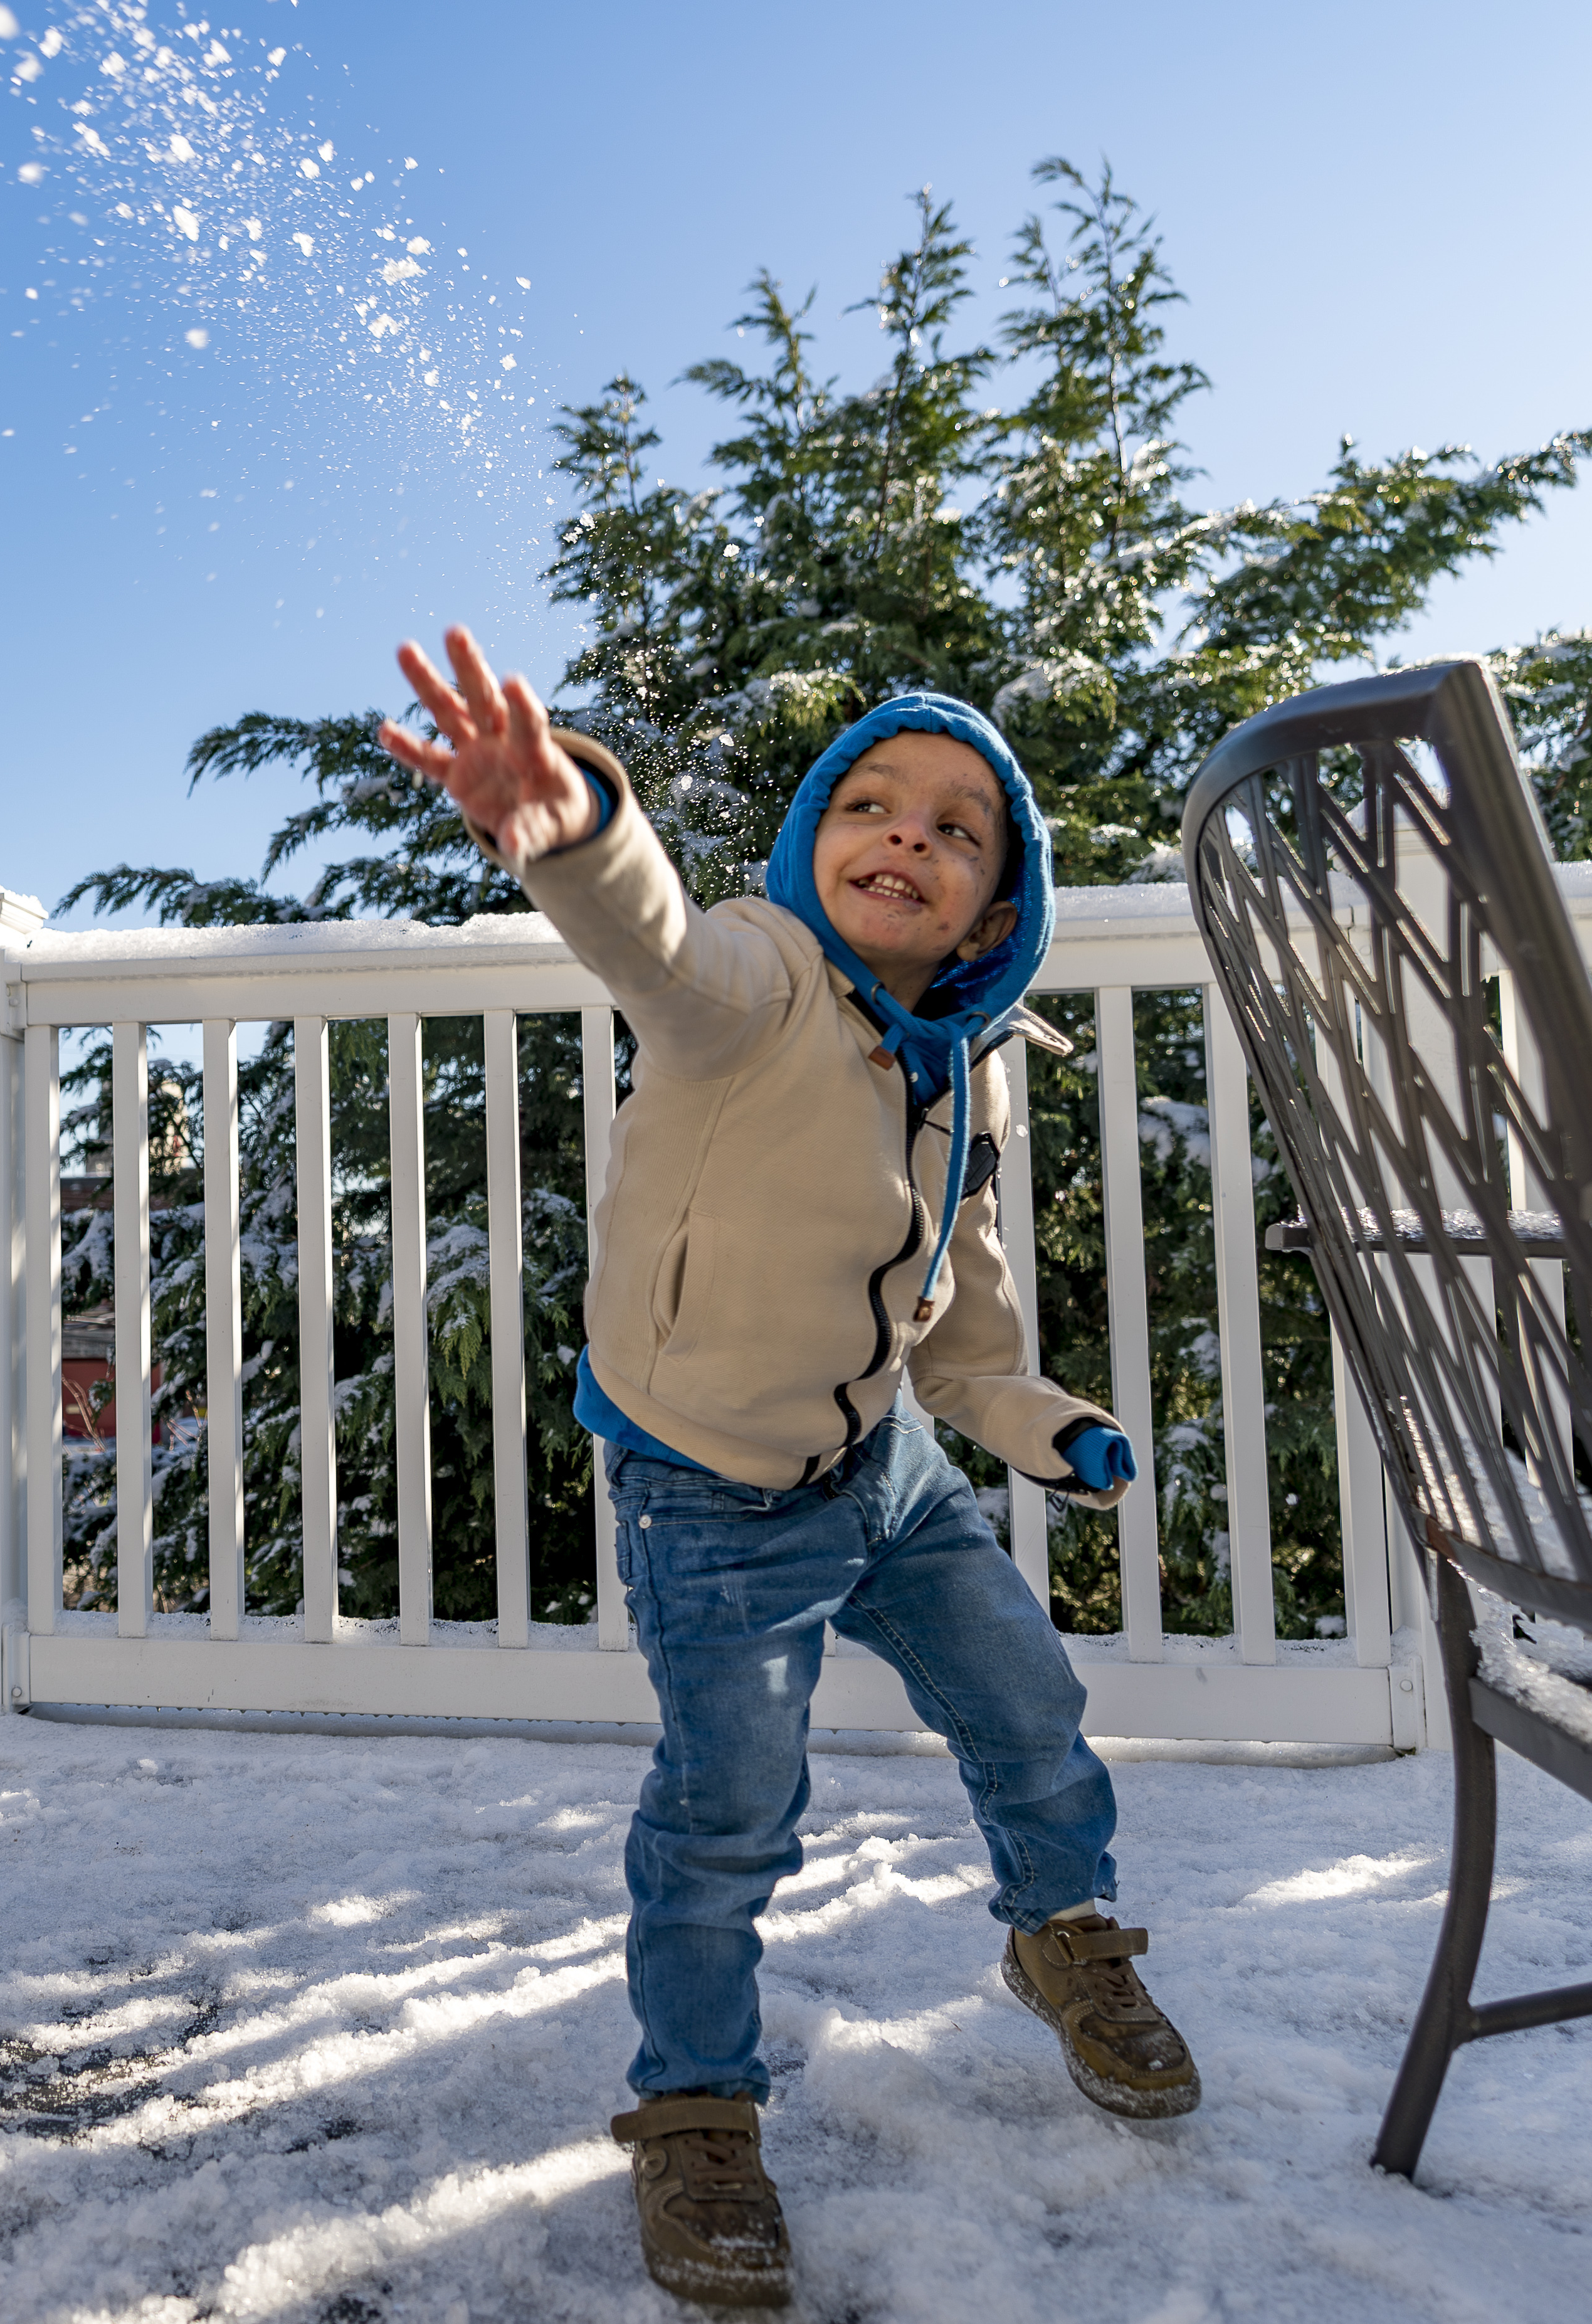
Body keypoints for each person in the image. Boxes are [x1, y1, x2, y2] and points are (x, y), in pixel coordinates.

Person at [379, 629, 1194, 2310]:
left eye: (959, 830)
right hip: (713, 1496)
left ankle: (1067, 1937)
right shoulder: (750, 982)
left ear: (991, 911)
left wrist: (1052, 1429)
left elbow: (963, 1331)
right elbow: (653, 946)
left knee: (1029, 1699)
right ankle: (694, 2106)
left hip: (885, 1467)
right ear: (816, 840)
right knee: (731, 1812)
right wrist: (572, 825)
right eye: (875, 805)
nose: (909, 835)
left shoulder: (942, 1074)